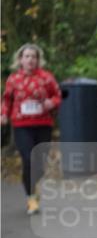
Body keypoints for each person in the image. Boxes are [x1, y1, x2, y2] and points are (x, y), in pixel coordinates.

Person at [2, 43, 62, 215]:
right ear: (20, 60)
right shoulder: (13, 79)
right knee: (28, 159)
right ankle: (31, 198)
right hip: (21, 125)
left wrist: (52, 102)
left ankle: (34, 187)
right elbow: (7, 100)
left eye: (33, 57)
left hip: (43, 124)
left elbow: (57, 95)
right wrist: (4, 114)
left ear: (38, 60)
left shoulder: (46, 78)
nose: (30, 60)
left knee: (40, 164)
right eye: (26, 56)